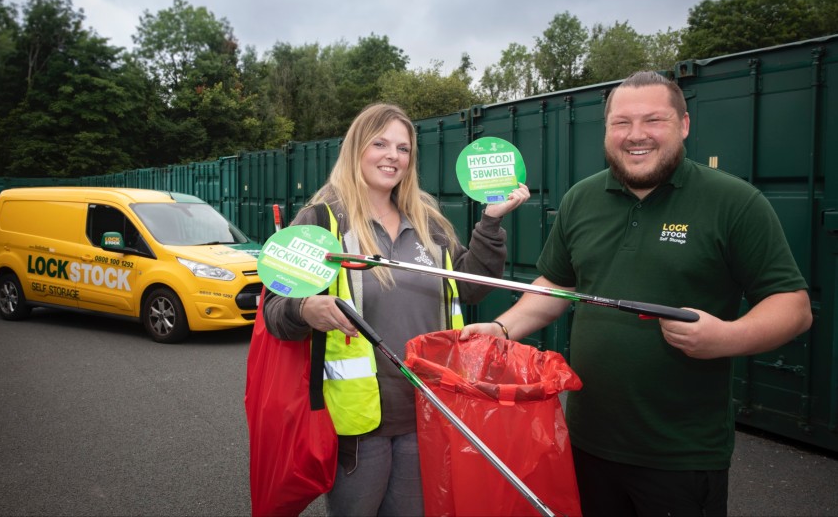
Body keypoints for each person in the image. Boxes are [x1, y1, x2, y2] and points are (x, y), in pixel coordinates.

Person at [460, 71, 812, 516]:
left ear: (683, 124)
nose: (636, 135)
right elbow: (556, 285)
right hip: (587, 442)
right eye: (621, 123)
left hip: (682, 455)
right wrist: (500, 327)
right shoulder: (580, 199)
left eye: (653, 120)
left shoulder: (734, 202)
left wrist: (726, 338)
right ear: (606, 130)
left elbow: (793, 306)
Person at [262, 102, 529, 516]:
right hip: (358, 421)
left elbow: (471, 287)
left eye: (403, 149)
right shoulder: (320, 219)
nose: (393, 156)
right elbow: (275, 312)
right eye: (380, 143)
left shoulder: (429, 221)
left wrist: (491, 222)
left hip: (427, 406)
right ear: (356, 149)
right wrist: (306, 309)